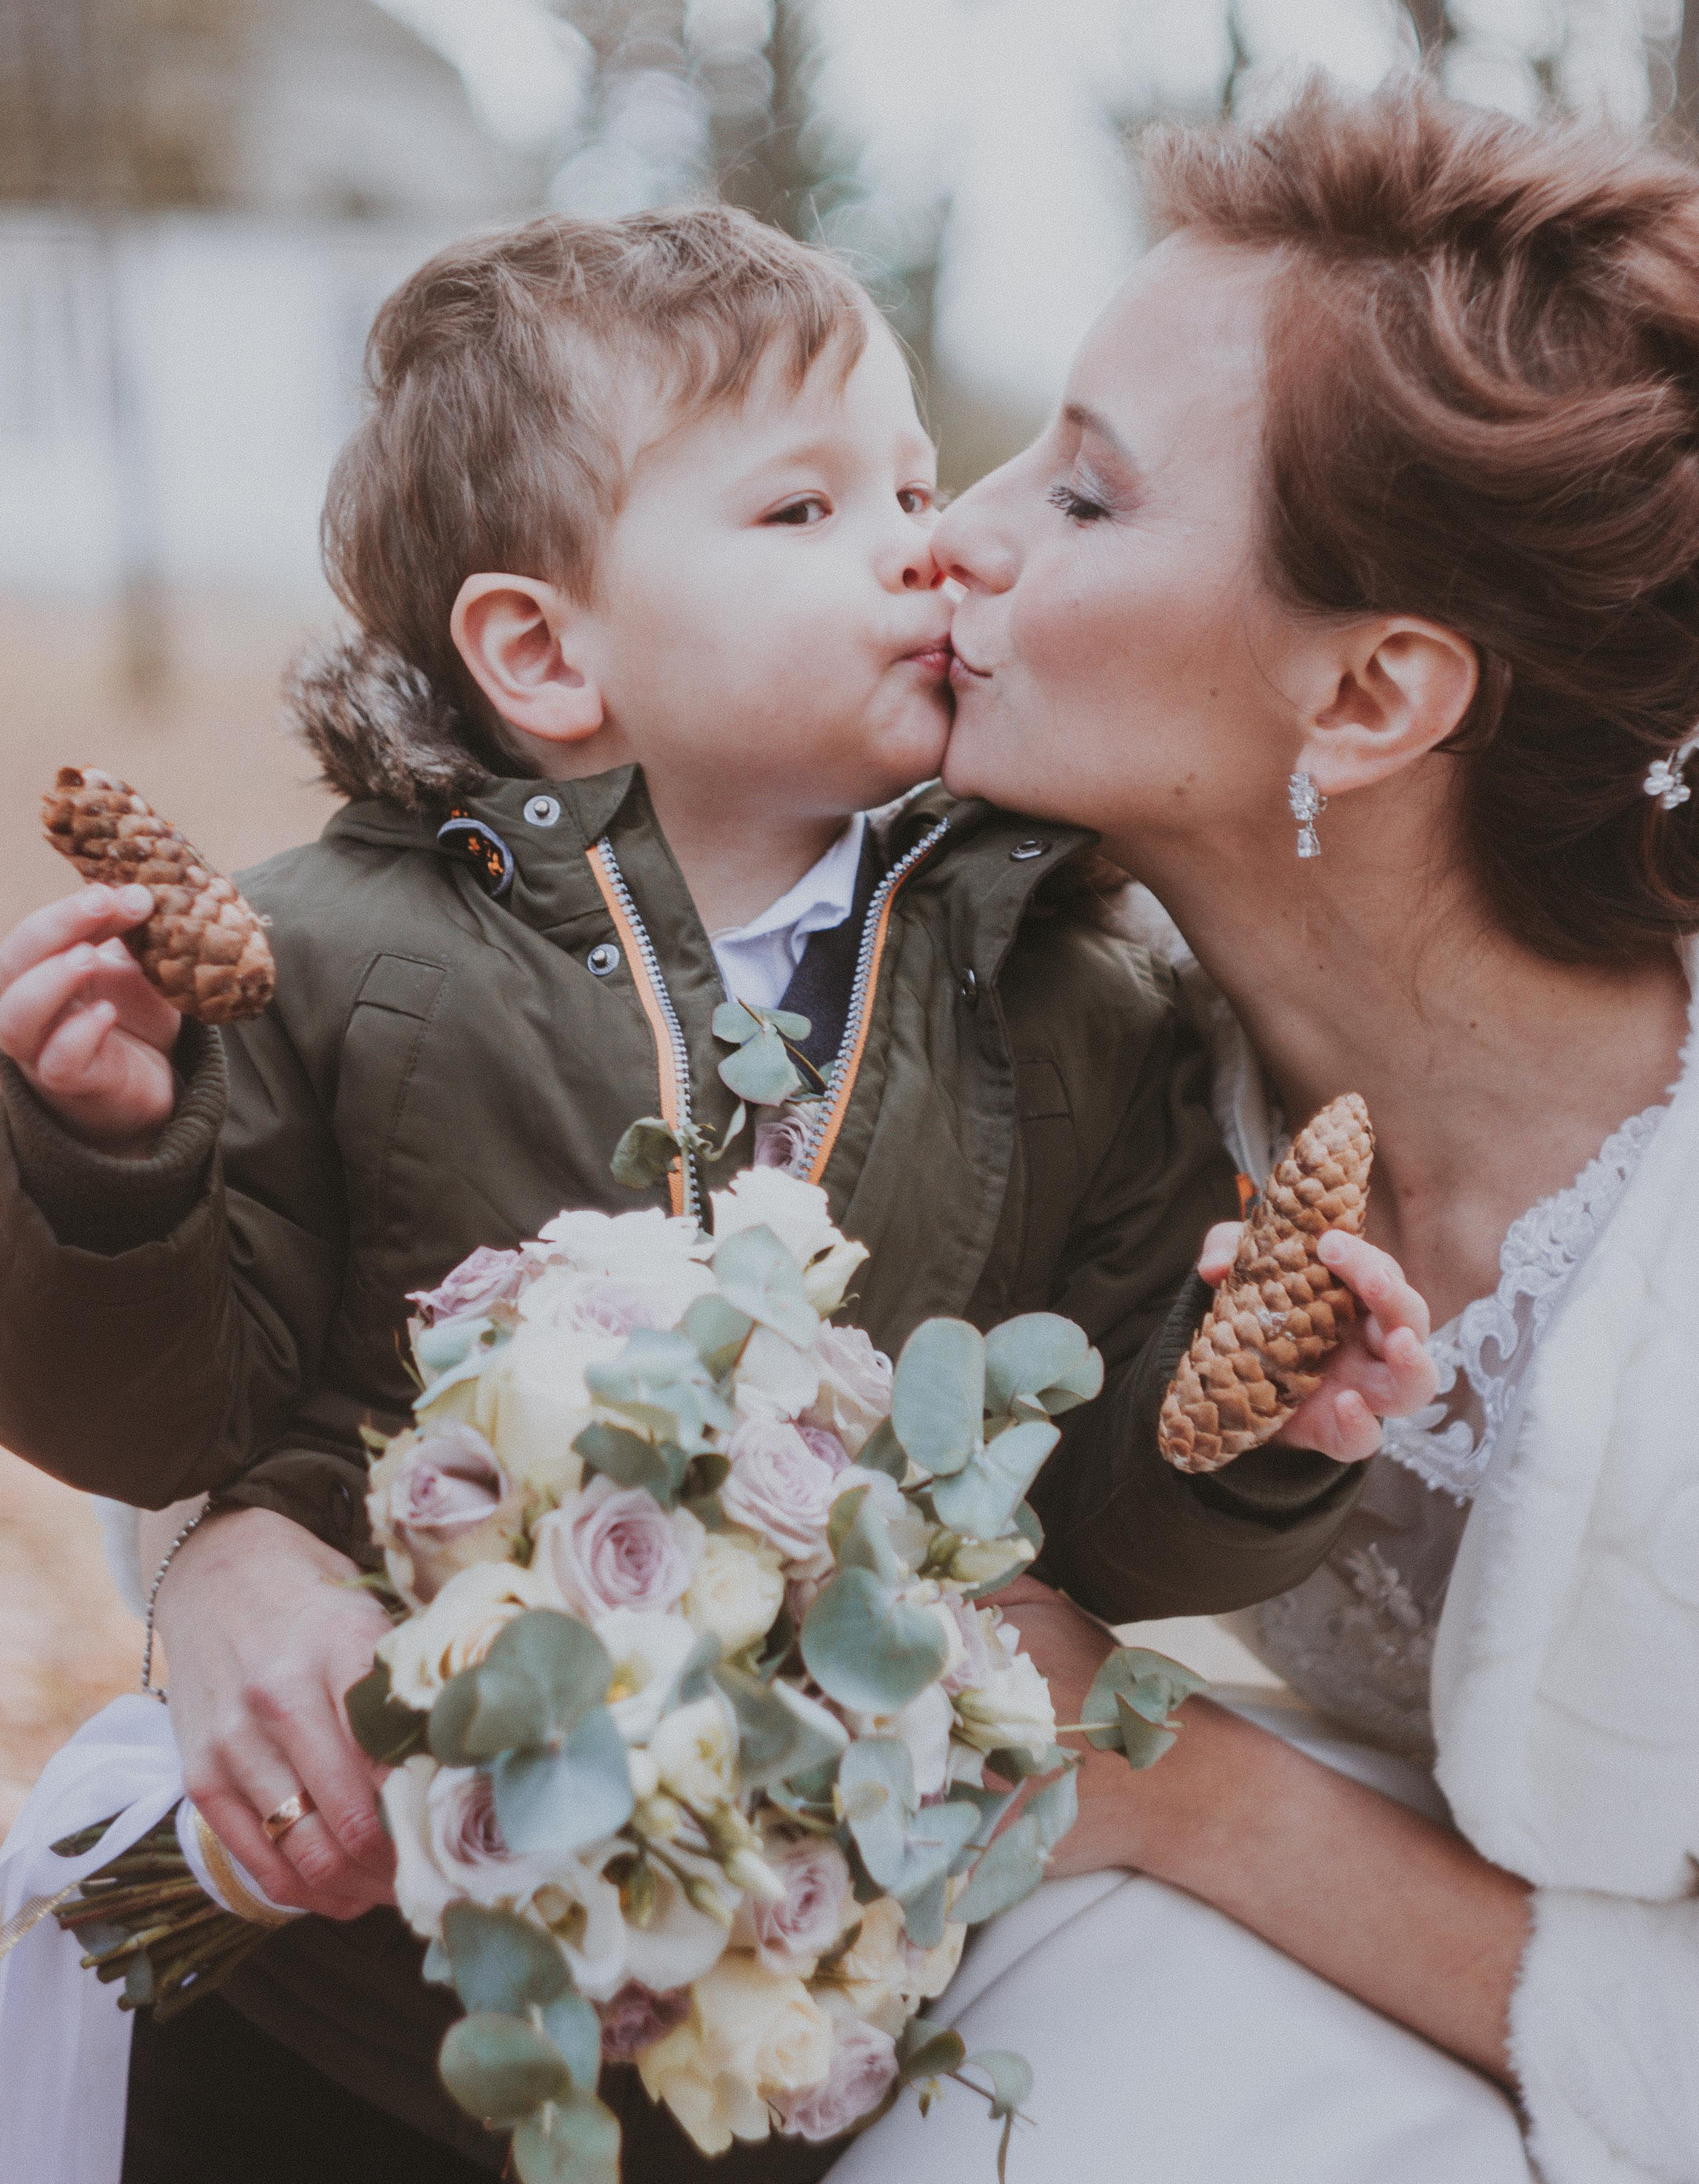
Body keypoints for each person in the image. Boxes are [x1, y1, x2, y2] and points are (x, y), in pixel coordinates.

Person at [0, 206, 1426, 2182]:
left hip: (761, 1991)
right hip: (322, 1968)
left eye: (917, 482)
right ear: (543, 650)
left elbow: (1092, 1518)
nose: (926, 540)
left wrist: (1244, 1415)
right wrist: (102, 1145)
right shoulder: (325, 961)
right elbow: (163, 1418)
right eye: (804, 511)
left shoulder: (1073, 1000)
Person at [832, 79, 1699, 2184]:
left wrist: (1164, 1780)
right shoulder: (1054, 1021)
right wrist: (227, 1568)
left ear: (1376, 693)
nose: (960, 531)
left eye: (1093, 500)